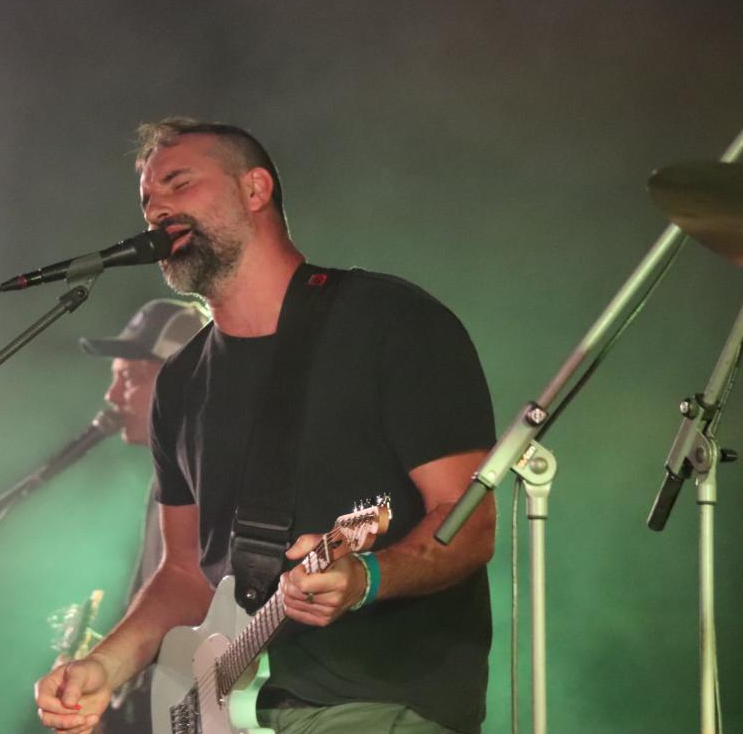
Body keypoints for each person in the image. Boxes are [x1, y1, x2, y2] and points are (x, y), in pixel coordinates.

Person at [35, 118, 497, 734]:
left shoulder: (389, 322)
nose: (157, 210)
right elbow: (184, 575)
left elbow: (470, 521)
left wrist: (368, 576)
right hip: (247, 710)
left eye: (179, 183)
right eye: (147, 201)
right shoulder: (180, 383)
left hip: (379, 699)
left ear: (255, 189)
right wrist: (105, 666)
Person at [74, 298, 208, 734]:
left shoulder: (214, 474)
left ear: (183, 379)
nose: (111, 397)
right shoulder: (164, 485)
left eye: (130, 378)